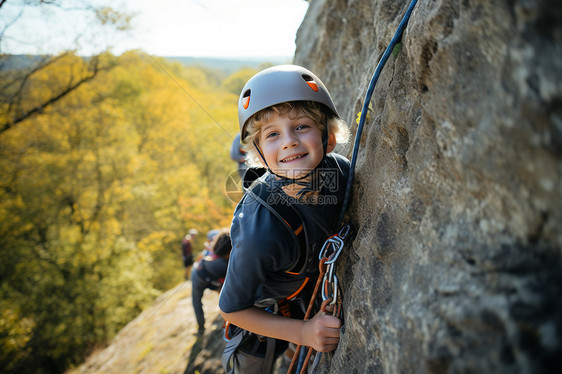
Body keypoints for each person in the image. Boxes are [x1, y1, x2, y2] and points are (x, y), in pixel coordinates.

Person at [219, 65, 350, 373]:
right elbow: (232, 308)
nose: (289, 141)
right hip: (259, 308)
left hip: (302, 290)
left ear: (328, 138)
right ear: (260, 155)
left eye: (301, 126)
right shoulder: (260, 233)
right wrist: (303, 333)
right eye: (273, 134)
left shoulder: (341, 172)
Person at [191, 228, 232, 336]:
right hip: (199, 277)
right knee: (196, 301)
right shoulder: (219, 262)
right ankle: (201, 328)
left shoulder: (223, 258)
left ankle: (226, 315)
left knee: (223, 294)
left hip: (214, 277)